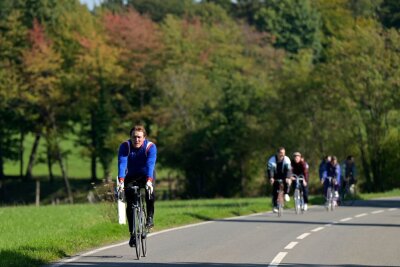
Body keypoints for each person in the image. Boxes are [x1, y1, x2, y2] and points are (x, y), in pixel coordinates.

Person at [118, 125, 157, 247]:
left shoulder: (150, 147)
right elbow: (122, 164)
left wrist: (149, 181)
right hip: (131, 176)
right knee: (130, 204)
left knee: (149, 192)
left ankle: (149, 217)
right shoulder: (125, 146)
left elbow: (151, 164)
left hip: (146, 175)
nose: (136, 140)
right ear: (130, 137)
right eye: (134, 137)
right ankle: (132, 234)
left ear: (144, 137)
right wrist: (120, 182)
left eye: (139, 137)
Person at [266, 147, 292, 213]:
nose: (282, 155)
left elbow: (288, 170)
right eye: (280, 153)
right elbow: (270, 170)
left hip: (284, 174)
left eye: (283, 153)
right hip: (275, 175)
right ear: (277, 153)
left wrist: (288, 177)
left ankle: (286, 193)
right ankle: (275, 206)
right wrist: (271, 178)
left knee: (287, 182)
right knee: (275, 190)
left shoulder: (286, 159)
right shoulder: (272, 159)